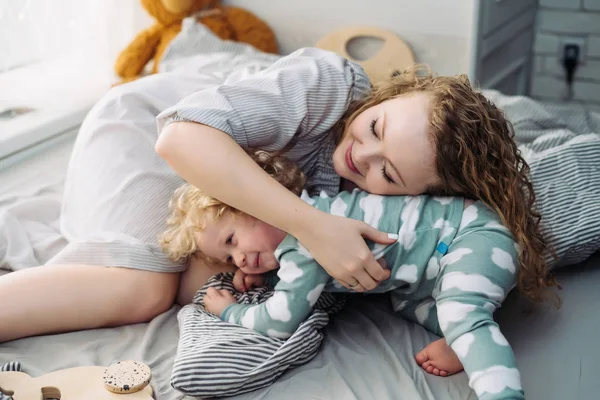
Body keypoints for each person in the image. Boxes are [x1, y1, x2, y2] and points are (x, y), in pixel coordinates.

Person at [0, 47, 556, 343]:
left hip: (213, 191)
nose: (362, 157)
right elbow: (180, 138)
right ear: (394, 93)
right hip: (151, 133)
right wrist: (314, 229)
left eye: (389, 175)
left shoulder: (385, 211)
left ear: (416, 197)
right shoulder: (327, 84)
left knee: (203, 279)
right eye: (377, 129)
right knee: (144, 289)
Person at [159, 151, 529, 400]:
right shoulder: (313, 213)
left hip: (471, 235)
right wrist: (268, 279)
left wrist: (230, 311)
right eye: (228, 258)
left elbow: (278, 322)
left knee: (463, 316)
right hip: (435, 267)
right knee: (404, 303)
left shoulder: (305, 245)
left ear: (257, 201)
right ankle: (460, 338)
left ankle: (499, 387)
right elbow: (301, 279)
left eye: (232, 240)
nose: (239, 259)